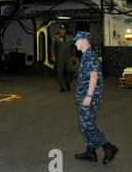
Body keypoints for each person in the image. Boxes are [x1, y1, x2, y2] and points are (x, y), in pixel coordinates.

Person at [73, 31, 119, 164]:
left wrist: (88, 96)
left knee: (87, 125)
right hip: (87, 96)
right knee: (87, 124)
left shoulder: (89, 56)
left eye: (77, 40)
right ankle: (90, 152)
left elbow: (94, 76)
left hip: (90, 97)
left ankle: (108, 146)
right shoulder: (86, 55)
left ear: (85, 41)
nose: (75, 43)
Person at [51, 24, 76, 92]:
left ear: (65, 30)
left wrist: (73, 55)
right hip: (60, 57)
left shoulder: (69, 38)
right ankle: (62, 86)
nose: (62, 31)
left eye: (63, 30)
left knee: (71, 70)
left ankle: (67, 82)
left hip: (68, 57)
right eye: (61, 30)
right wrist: (53, 55)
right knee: (60, 71)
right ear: (60, 30)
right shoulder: (56, 38)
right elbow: (53, 47)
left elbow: (73, 47)